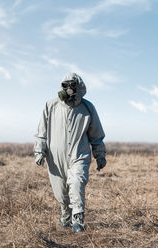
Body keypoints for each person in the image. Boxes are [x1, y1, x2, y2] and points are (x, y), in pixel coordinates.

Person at [34, 72, 106, 233]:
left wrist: (100, 155)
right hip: (55, 157)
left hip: (79, 155)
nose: (68, 89)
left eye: (72, 85)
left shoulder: (88, 108)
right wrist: (39, 151)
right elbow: (41, 132)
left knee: (77, 182)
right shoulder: (51, 105)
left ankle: (78, 220)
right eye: (65, 85)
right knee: (60, 191)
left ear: (79, 87)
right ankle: (65, 216)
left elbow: (96, 135)